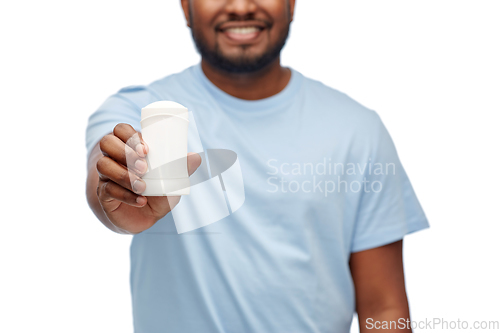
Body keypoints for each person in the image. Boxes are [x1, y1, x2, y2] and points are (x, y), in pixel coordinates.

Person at [85, 0, 429, 332]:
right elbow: (103, 172)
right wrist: (118, 199)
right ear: (185, 6)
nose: (240, 6)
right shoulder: (143, 112)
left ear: (291, 4)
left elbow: (384, 307)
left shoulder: (358, 130)